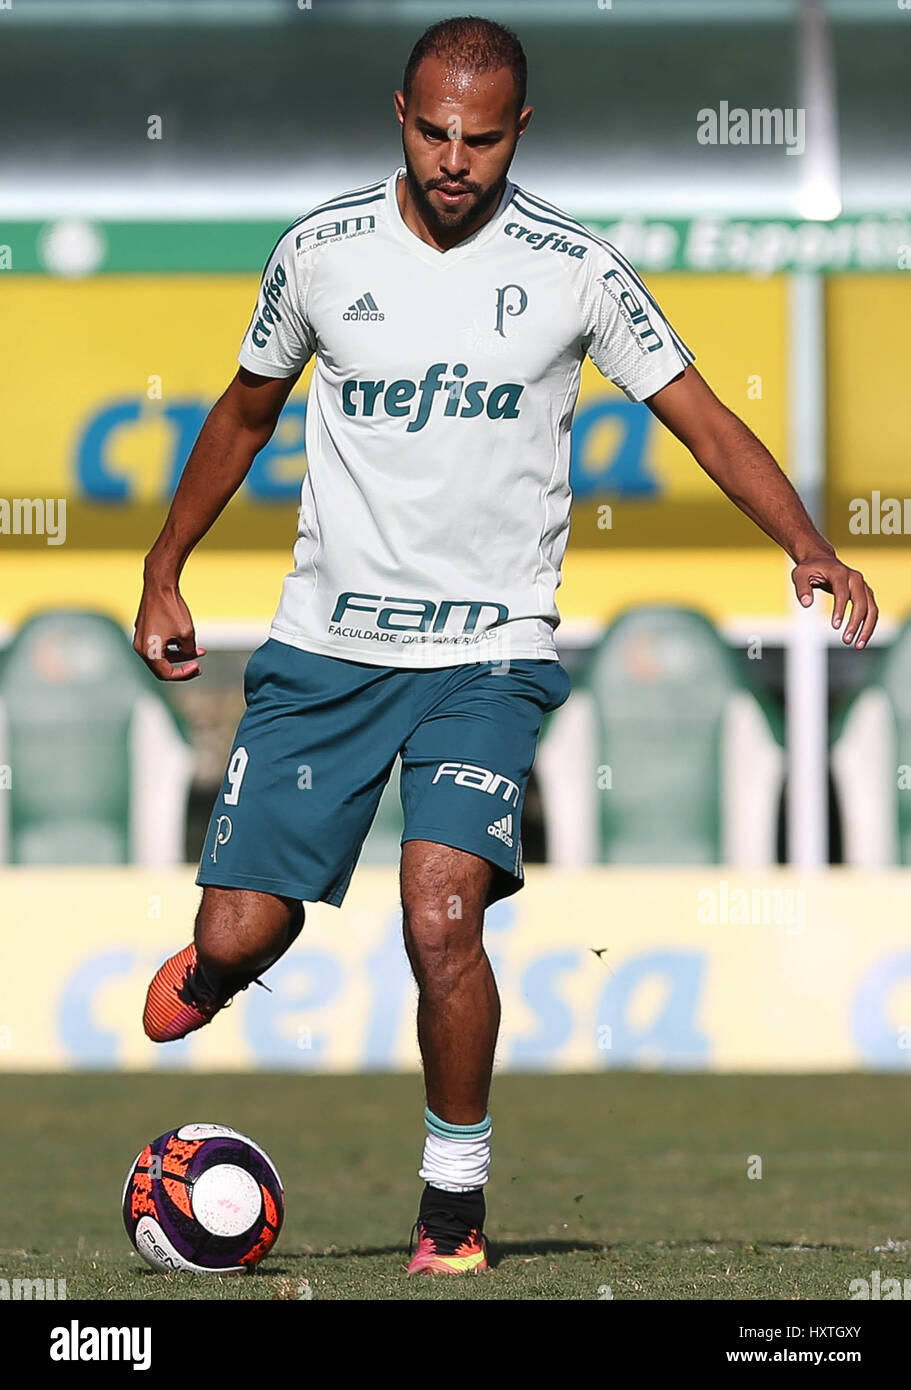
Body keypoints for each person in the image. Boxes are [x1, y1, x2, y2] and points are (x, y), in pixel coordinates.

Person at [134, 15, 877, 1277]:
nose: (454, 158)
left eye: (481, 137)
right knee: (241, 931)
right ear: (400, 113)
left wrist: (804, 543)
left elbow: (699, 417)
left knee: (440, 917)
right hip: (324, 654)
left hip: (489, 655)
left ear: (516, 130)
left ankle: (452, 1214)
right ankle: (220, 964)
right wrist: (164, 568)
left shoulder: (577, 270)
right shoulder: (318, 254)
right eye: (433, 130)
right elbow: (246, 410)